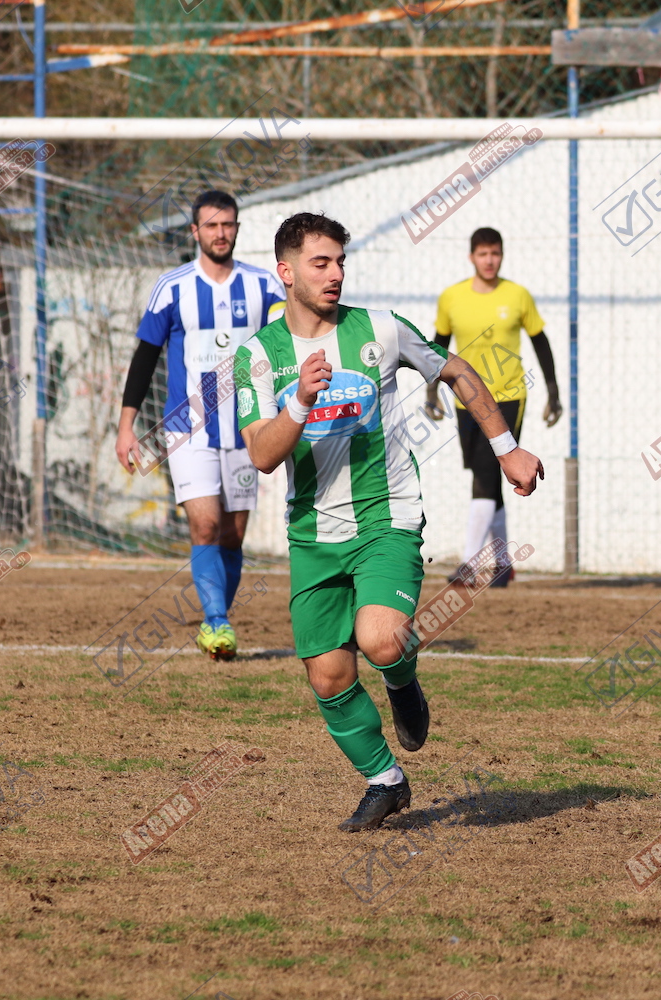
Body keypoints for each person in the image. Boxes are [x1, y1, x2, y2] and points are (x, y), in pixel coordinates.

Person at [234, 212, 543, 831]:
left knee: (378, 640)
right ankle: (385, 780)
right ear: (286, 272)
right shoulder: (258, 356)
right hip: (313, 532)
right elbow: (263, 455)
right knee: (328, 676)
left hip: (387, 517)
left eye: (340, 262)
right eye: (321, 263)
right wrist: (301, 402)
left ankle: (401, 678)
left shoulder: (380, 328)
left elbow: (456, 371)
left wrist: (507, 447)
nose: (335, 274)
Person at [115, 190, 284, 661]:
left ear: (237, 228)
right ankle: (217, 621)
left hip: (250, 429)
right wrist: (126, 427)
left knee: (233, 535)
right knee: (206, 526)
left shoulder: (265, 286)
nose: (220, 233)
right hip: (188, 429)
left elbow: (288, 340)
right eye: (211, 225)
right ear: (195, 231)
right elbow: (145, 357)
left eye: (227, 225)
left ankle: (216, 622)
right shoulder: (172, 287)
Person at [425, 227, 560, 586]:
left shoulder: (517, 295)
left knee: (485, 475)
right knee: (487, 476)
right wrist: (431, 392)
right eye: (483, 254)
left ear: (502, 255)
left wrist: (553, 391)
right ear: (472, 257)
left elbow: (541, 341)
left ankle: (470, 565)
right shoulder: (452, 297)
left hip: (508, 397)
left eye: (495, 253)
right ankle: (502, 564)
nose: (489, 260)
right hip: (465, 400)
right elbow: (437, 346)